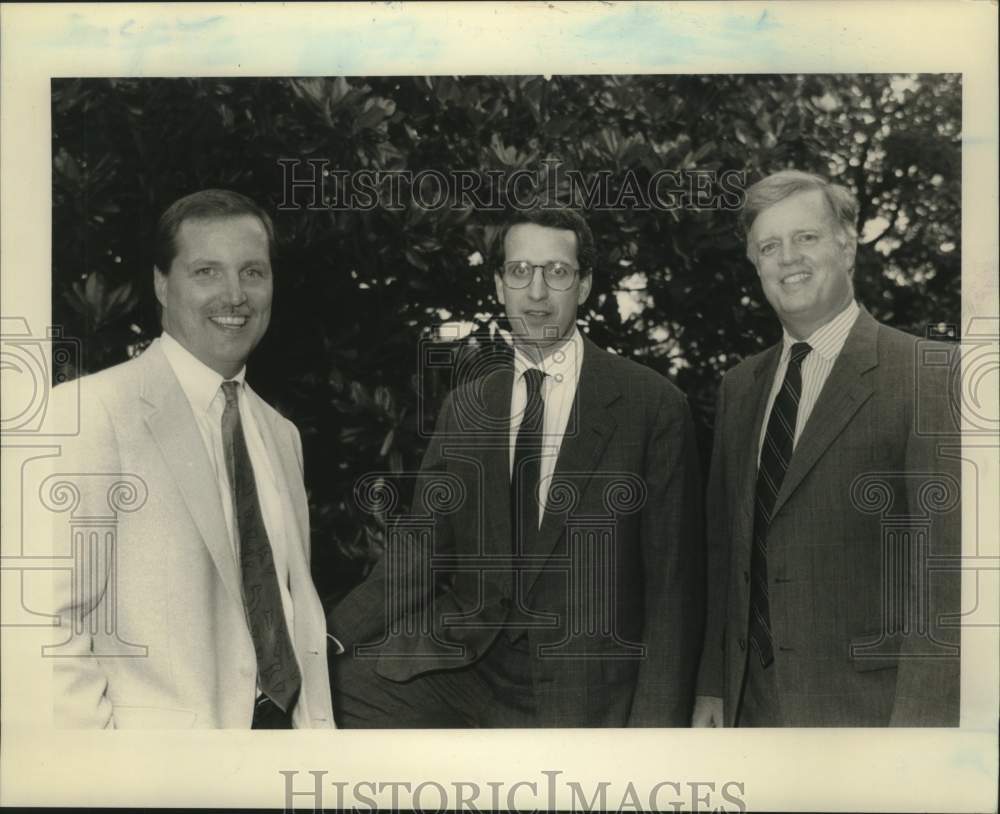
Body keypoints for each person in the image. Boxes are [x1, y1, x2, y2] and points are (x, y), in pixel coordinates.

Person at [329, 207, 704, 727]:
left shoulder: (652, 405)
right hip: (465, 662)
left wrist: (653, 733)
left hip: (582, 677)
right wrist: (326, 638)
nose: (537, 292)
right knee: (331, 696)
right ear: (500, 285)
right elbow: (419, 553)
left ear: (586, 283)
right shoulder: (467, 405)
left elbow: (672, 591)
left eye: (557, 272)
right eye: (520, 272)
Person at [45, 189, 334, 728]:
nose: (235, 296)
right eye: (206, 271)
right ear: (162, 283)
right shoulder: (89, 414)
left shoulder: (281, 434)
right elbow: (46, 627)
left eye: (253, 272)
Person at [692, 170, 961, 727]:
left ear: (846, 245)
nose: (788, 257)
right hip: (751, 715)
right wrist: (714, 690)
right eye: (770, 246)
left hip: (870, 717)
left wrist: (919, 735)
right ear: (756, 266)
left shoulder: (927, 376)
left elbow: (947, 581)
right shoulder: (739, 388)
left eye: (805, 237)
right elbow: (725, 556)